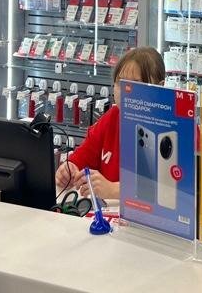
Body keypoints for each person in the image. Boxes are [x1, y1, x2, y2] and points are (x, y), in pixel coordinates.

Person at [55, 46, 165, 201]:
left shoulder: (178, 128)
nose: (126, 91)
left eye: (135, 84)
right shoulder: (112, 118)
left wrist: (115, 190)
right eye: (120, 83)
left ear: (160, 87)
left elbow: (176, 191)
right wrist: (69, 169)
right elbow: (81, 158)